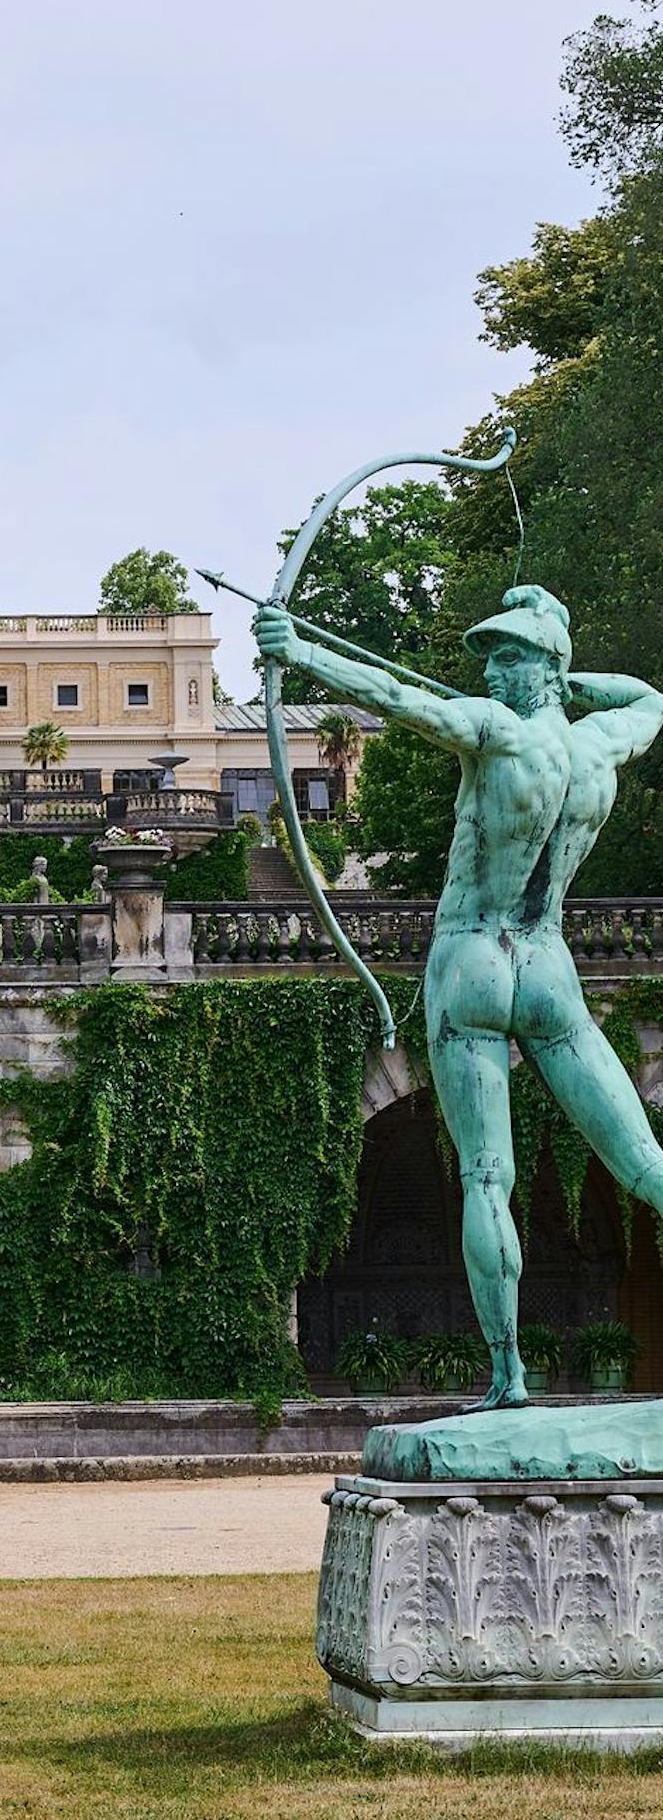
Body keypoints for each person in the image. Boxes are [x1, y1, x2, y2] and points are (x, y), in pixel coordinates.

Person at [255, 584, 663, 1409]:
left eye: (511, 655)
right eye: (493, 658)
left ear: (543, 664)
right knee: (645, 1162)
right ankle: (506, 1374)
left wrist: (297, 652)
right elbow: (650, 697)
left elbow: (396, 698)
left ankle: (508, 1376)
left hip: (474, 958)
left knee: (487, 1176)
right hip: (550, 967)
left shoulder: (495, 731)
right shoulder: (598, 748)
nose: (493, 669)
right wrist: (572, 683)